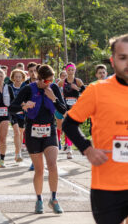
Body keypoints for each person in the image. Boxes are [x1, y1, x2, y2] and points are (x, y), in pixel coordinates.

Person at [62, 34, 128, 224]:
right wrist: (87, 149)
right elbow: (69, 123)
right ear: (112, 61)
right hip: (107, 187)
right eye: (123, 58)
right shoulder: (97, 90)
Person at [9, 64, 67, 214]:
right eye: (47, 81)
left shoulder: (53, 88)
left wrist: (53, 99)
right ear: (40, 80)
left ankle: (53, 199)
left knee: (53, 165)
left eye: (51, 80)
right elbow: (12, 108)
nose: (50, 83)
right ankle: (39, 199)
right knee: (39, 169)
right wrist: (24, 106)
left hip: (49, 130)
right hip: (32, 131)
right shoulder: (28, 89)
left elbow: (63, 109)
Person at [58, 62, 85, 159]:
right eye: (68, 70)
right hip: (66, 106)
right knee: (68, 124)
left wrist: (77, 88)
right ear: (66, 70)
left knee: (71, 126)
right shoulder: (62, 82)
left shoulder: (78, 81)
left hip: (75, 105)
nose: (70, 72)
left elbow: (85, 91)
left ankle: (68, 144)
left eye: (72, 70)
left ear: (75, 70)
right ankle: (69, 147)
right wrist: (60, 101)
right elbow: (56, 91)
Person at [9, 69, 26, 162]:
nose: (18, 79)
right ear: (13, 78)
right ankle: (18, 153)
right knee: (16, 132)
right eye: (16, 77)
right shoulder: (9, 87)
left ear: (23, 78)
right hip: (12, 113)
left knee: (21, 133)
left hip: (22, 113)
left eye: (20, 77)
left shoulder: (25, 87)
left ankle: (18, 151)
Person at [54, 70, 67, 150]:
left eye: (66, 75)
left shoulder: (70, 84)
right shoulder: (57, 85)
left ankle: (66, 143)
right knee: (59, 123)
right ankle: (58, 140)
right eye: (63, 75)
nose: (64, 77)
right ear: (60, 76)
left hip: (67, 106)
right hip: (59, 106)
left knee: (66, 124)